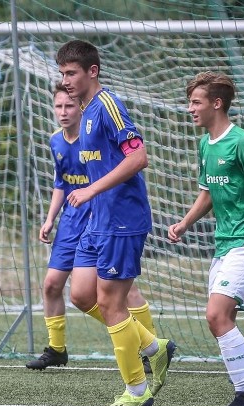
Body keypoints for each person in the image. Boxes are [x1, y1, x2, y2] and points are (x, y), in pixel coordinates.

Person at [56, 40, 176, 406]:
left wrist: (91, 189)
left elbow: (139, 157)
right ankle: (154, 347)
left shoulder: (108, 105)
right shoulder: (86, 111)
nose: (66, 80)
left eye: (71, 73)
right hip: (98, 219)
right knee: (80, 295)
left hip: (123, 220)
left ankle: (137, 390)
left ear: (92, 71)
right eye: (62, 74)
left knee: (110, 304)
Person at [27, 83, 158, 373]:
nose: (63, 111)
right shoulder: (56, 142)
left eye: (68, 105)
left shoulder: (99, 123)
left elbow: (135, 158)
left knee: (118, 291)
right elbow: (61, 183)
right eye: (58, 106)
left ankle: (148, 352)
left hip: (105, 215)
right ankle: (57, 349)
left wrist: (93, 193)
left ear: (79, 105)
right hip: (73, 219)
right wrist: (50, 218)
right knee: (56, 286)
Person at [168, 71, 244, 406]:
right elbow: (207, 193)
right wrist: (185, 222)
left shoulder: (242, 142)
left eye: (196, 102)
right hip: (223, 246)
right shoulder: (205, 144)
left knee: (216, 315)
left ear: (217, 103)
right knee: (220, 319)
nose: (190, 109)